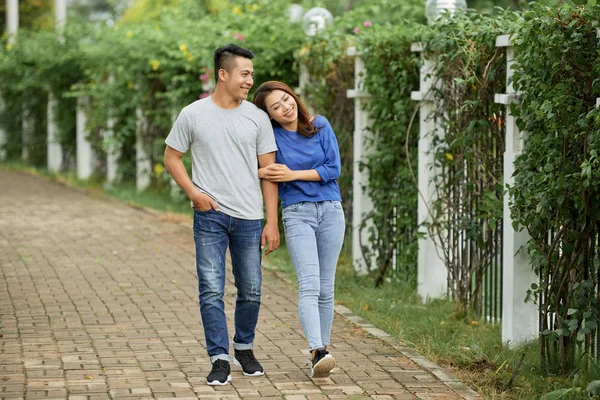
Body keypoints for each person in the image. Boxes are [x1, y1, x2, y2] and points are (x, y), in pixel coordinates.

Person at [163, 44, 280, 386]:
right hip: (209, 216)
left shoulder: (257, 118)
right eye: (245, 74)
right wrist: (194, 194)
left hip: (248, 217)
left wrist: (272, 222)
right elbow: (172, 157)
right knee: (211, 289)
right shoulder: (193, 114)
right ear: (223, 74)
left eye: (252, 75)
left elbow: (269, 171)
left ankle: (244, 347)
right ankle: (219, 357)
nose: (250, 81)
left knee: (252, 289)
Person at [253, 81, 345, 379]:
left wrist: (293, 174)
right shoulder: (272, 140)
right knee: (309, 283)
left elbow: (333, 169)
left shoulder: (320, 126)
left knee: (326, 285)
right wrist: (258, 173)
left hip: (331, 209)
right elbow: (263, 172)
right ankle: (317, 351)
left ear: (293, 96)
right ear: (270, 116)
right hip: (296, 214)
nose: (285, 107)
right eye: (275, 107)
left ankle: (323, 350)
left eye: (285, 99)